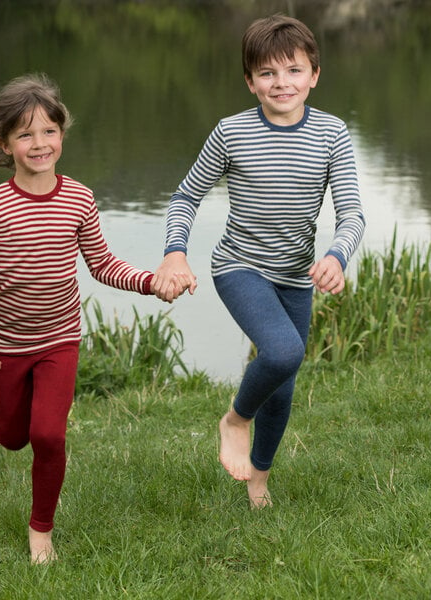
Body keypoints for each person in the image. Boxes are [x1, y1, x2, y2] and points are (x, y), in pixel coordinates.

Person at [0, 73, 187, 564]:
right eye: (25, 134)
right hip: (7, 344)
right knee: (14, 439)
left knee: (48, 436)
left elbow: (102, 264)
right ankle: (7, 412)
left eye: (49, 131)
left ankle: (41, 531)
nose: (40, 144)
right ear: (6, 143)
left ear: (63, 133)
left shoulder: (79, 198)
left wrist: (150, 281)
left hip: (61, 339)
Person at [153, 15, 365, 508]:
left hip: (295, 276)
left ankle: (258, 482)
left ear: (314, 74)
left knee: (284, 386)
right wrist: (175, 251)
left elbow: (352, 211)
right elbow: (186, 196)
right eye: (267, 73)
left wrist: (337, 253)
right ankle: (234, 419)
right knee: (284, 352)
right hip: (239, 266)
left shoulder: (333, 134)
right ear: (250, 82)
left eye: (293, 70)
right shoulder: (231, 133)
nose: (281, 83)